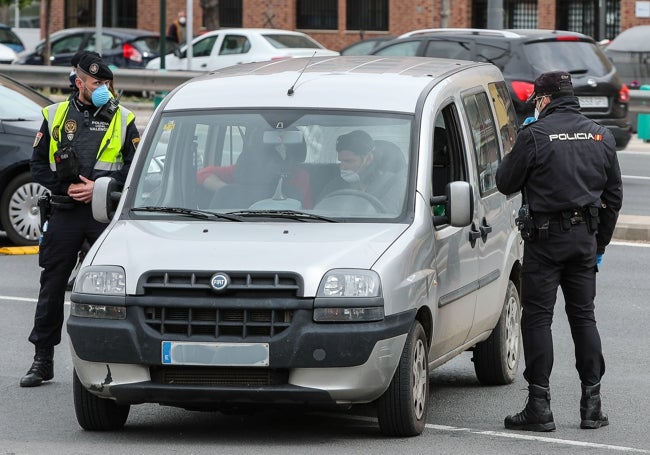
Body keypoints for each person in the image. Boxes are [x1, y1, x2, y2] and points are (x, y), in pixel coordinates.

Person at [495, 71, 623, 431]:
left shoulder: (534, 135)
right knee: (584, 318)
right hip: (584, 240)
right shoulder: (602, 136)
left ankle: (539, 406)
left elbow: (505, 182)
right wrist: (599, 244)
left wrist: (521, 141)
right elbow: (613, 197)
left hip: (545, 241)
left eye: (537, 100)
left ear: (544, 100)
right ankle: (592, 406)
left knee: (537, 319)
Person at [21, 53, 140, 387]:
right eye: (96, 83)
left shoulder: (124, 117)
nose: (102, 88)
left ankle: (110, 361)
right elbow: (38, 165)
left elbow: (134, 168)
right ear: (79, 83)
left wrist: (100, 189)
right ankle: (42, 359)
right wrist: (70, 187)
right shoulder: (55, 114)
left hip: (104, 215)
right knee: (53, 285)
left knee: (110, 293)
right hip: (66, 211)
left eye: (106, 83)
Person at [318, 130, 401, 210]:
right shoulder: (335, 184)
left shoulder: (391, 184)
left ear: (368, 158)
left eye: (348, 161)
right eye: (341, 161)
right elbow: (319, 211)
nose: (342, 167)